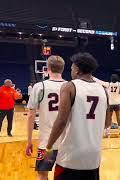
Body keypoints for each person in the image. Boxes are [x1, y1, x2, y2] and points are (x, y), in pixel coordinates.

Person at [45, 52, 108, 180]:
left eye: (72, 68)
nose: (71, 71)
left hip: (71, 157)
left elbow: (61, 121)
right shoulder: (103, 90)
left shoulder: (69, 86)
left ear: (77, 70)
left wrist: (49, 146)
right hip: (93, 157)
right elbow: (106, 121)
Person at [25, 55, 66, 180]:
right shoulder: (71, 86)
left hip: (47, 144)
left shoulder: (39, 87)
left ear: (47, 68)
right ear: (63, 69)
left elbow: (31, 115)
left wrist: (29, 141)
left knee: (42, 174)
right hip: (67, 144)